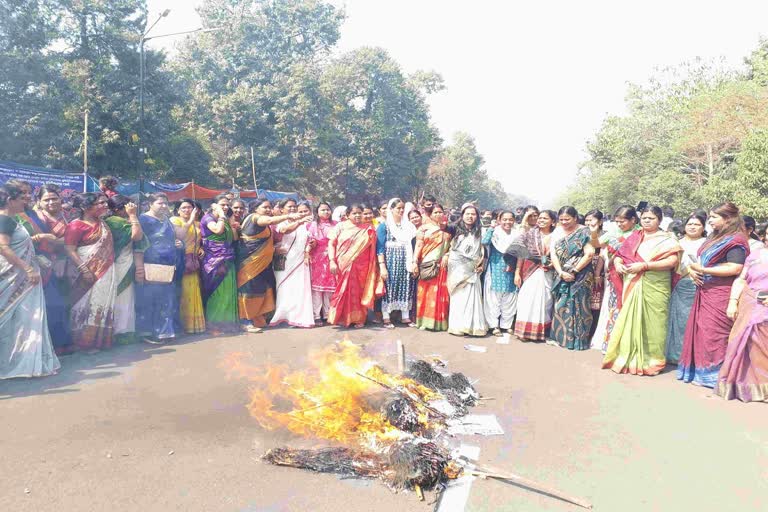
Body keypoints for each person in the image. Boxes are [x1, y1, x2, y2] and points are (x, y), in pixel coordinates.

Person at [601, 206, 681, 374]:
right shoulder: (634, 237)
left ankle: (653, 361)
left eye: (651, 218)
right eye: (644, 218)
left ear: (659, 220)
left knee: (655, 323)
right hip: (632, 283)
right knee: (628, 318)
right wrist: (618, 264)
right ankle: (627, 357)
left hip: (656, 285)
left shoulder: (668, 239)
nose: (646, 221)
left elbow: (672, 261)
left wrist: (645, 265)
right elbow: (619, 256)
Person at [678, 202, 749, 388]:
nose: (709, 220)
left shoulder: (736, 240)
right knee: (702, 331)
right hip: (704, 290)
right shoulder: (714, 237)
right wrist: (694, 272)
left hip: (721, 293)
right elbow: (701, 260)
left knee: (715, 334)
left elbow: (735, 267)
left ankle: (718, 376)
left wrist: (704, 269)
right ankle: (701, 373)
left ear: (728, 219)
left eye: (713, 217)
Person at [0, 184, 61, 378]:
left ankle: (19, 361)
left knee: (21, 321)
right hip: (15, 278)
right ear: (10, 200)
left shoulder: (10, 219)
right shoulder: (4, 220)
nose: (27, 200)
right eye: (22, 197)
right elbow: (3, 248)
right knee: (10, 319)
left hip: (22, 278)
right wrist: (27, 269)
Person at [15, 184, 73, 354]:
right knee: (48, 305)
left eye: (27, 192)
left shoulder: (35, 214)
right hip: (33, 265)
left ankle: (60, 342)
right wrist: (44, 237)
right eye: (46, 199)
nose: (51, 203)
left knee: (59, 304)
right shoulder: (21, 216)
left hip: (58, 264)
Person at [237, 198, 302, 332]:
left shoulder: (263, 221)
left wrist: (299, 221)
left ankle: (257, 319)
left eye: (269, 207)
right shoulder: (255, 218)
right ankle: (245, 321)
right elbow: (269, 220)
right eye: (264, 207)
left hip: (263, 263)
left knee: (261, 289)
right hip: (250, 264)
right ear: (256, 209)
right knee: (249, 290)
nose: (268, 210)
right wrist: (289, 215)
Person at [64, 193, 117, 351]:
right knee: (82, 304)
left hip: (107, 271)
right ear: (85, 207)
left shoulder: (103, 224)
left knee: (101, 303)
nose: (105, 206)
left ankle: (98, 341)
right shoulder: (76, 225)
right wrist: (84, 269)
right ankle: (81, 343)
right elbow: (69, 249)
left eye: (105, 203)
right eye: (100, 203)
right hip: (85, 272)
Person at [716, 244, 768, 402]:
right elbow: (741, 280)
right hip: (749, 302)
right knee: (743, 344)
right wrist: (733, 301)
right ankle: (744, 387)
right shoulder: (755, 255)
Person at [589, 205, 641, 352]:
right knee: (613, 307)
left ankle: (628, 346)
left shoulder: (640, 233)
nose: (619, 224)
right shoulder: (613, 232)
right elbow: (597, 244)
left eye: (622, 221)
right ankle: (610, 343)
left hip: (634, 276)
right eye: (617, 221)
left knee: (629, 308)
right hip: (614, 275)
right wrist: (594, 233)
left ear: (633, 220)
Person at [135, 193, 181, 344]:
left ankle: (164, 332)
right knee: (149, 300)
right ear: (150, 204)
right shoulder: (143, 219)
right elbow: (138, 244)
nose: (164, 206)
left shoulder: (167, 220)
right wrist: (139, 267)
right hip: (150, 263)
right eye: (160, 203)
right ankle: (147, 333)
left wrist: (178, 243)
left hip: (167, 265)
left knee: (167, 299)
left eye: (165, 204)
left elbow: (172, 238)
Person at [327, 204, 381, 328]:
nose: (357, 215)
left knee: (359, 292)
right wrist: (332, 261)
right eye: (354, 213)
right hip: (343, 264)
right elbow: (332, 243)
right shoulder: (340, 226)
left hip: (363, 266)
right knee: (342, 291)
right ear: (347, 215)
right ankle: (340, 317)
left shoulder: (369, 228)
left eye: (359, 213)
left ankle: (359, 318)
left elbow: (373, 249)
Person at [550, 206, 595, 350]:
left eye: (567, 219)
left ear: (575, 218)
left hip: (580, 276)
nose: (564, 222)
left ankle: (578, 341)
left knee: (580, 307)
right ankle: (562, 338)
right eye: (561, 219)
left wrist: (574, 271)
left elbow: (589, 253)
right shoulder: (557, 232)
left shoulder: (584, 231)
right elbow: (553, 254)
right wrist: (561, 272)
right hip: (561, 275)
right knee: (561, 305)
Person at [664, 213, 707, 364]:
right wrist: (688, 270)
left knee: (696, 322)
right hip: (679, 284)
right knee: (678, 320)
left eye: (697, 224)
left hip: (701, 285)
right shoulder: (676, 242)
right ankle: (676, 355)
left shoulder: (708, 243)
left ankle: (693, 356)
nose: (693, 227)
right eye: (690, 224)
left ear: (703, 227)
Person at [105, 195, 145, 344]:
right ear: (118, 209)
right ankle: (120, 331)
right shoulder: (115, 222)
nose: (132, 208)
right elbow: (137, 236)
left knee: (126, 297)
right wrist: (133, 216)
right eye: (129, 206)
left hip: (126, 262)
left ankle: (124, 330)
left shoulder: (121, 221)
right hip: (119, 263)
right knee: (122, 297)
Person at [511, 209, 556, 341]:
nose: (541, 220)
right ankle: (523, 331)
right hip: (530, 272)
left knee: (545, 301)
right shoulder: (529, 235)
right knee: (526, 300)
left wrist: (552, 264)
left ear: (553, 222)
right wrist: (517, 272)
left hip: (548, 272)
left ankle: (539, 332)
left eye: (545, 218)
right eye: (540, 218)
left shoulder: (557, 236)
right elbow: (521, 254)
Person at [270, 201, 315, 328]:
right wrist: (300, 221)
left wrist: (310, 247)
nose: (292, 208)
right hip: (284, 260)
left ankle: (299, 317)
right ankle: (283, 316)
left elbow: (309, 239)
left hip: (300, 260)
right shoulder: (279, 222)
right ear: (282, 209)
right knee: (284, 288)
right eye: (289, 206)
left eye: (294, 207)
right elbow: (285, 230)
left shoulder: (304, 224)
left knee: (300, 288)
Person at [446, 203, 487, 336]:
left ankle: (472, 326)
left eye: (473, 214)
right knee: (458, 296)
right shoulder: (453, 228)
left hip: (473, 268)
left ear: (477, 216)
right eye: (467, 214)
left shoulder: (481, 231)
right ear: (462, 215)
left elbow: (484, 250)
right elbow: (446, 244)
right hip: (457, 267)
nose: (470, 216)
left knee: (472, 296)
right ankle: (457, 326)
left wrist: (482, 264)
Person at [201, 194, 239, 333]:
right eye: (222, 204)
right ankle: (213, 323)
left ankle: (226, 323)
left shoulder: (226, 219)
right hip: (214, 262)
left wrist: (233, 224)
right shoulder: (208, 218)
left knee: (228, 292)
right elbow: (217, 230)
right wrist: (223, 216)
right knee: (216, 293)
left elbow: (234, 237)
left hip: (228, 259)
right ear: (213, 205)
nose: (225, 207)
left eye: (227, 205)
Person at [377, 198, 417, 328]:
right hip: (390, 260)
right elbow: (380, 247)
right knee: (389, 286)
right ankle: (386, 316)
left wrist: (413, 262)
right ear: (391, 209)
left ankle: (405, 316)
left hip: (405, 258)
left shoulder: (409, 226)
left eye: (402, 208)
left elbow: (413, 244)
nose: (401, 210)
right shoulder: (385, 226)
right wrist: (382, 266)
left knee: (406, 284)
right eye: (398, 208)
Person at [413, 204, 451, 331]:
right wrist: (414, 262)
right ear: (430, 214)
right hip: (427, 265)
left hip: (441, 266)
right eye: (435, 212)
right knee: (425, 293)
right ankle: (424, 321)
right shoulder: (423, 229)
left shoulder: (448, 229)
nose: (439, 215)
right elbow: (418, 246)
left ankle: (438, 323)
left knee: (439, 293)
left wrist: (447, 254)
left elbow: (452, 247)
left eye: (441, 212)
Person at [171, 199, 206, 334]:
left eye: (190, 207)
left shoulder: (198, 223)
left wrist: (201, 248)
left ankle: (194, 325)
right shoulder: (175, 220)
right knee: (183, 292)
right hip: (181, 260)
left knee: (194, 290)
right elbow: (180, 234)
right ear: (178, 210)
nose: (187, 210)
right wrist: (191, 219)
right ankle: (182, 325)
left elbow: (201, 239)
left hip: (194, 261)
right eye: (183, 208)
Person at [482, 210, 518, 336]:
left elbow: (520, 252)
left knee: (510, 297)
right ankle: (493, 325)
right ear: (499, 220)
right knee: (493, 298)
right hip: (495, 267)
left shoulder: (516, 233)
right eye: (504, 219)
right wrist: (491, 228)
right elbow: (484, 242)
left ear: (514, 220)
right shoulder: (495, 232)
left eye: (510, 219)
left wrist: (513, 265)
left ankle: (506, 325)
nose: (507, 222)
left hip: (511, 269)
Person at [307, 202, 337, 325]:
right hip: (317, 258)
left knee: (330, 288)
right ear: (317, 212)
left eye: (328, 209)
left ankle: (327, 313)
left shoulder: (336, 224)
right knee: (317, 289)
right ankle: (316, 315)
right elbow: (309, 241)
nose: (326, 212)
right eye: (323, 210)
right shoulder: (312, 225)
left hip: (332, 257)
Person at [584, 210, 605, 339]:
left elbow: (600, 249)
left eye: (591, 220)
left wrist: (597, 273)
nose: (588, 223)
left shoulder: (605, 235)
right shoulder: (581, 233)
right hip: (583, 269)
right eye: (586, 220)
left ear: (600, 221)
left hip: (598, 271)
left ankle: (593, 333)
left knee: (596, 304)